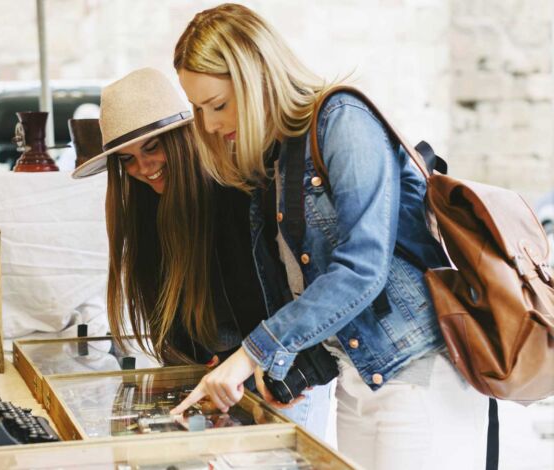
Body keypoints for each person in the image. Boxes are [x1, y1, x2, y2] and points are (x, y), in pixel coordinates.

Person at [170, 4, 488, 469]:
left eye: (218, 104)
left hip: (416, 371)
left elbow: (363, 268)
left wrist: (253, 351)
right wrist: (282, 366)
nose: (212, 125)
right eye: (200, 110)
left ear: (259, 76)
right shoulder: (277, 161)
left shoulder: (343, 119)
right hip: (358, 377)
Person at [72, 67, 331, 438]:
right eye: (127, 159)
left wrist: (245, 365)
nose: (143, 168)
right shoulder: (147, 212)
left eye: (152, 147)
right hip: (220, 388)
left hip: (283, 377)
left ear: (181, 138)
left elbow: (282, 296)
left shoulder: (240, 190)